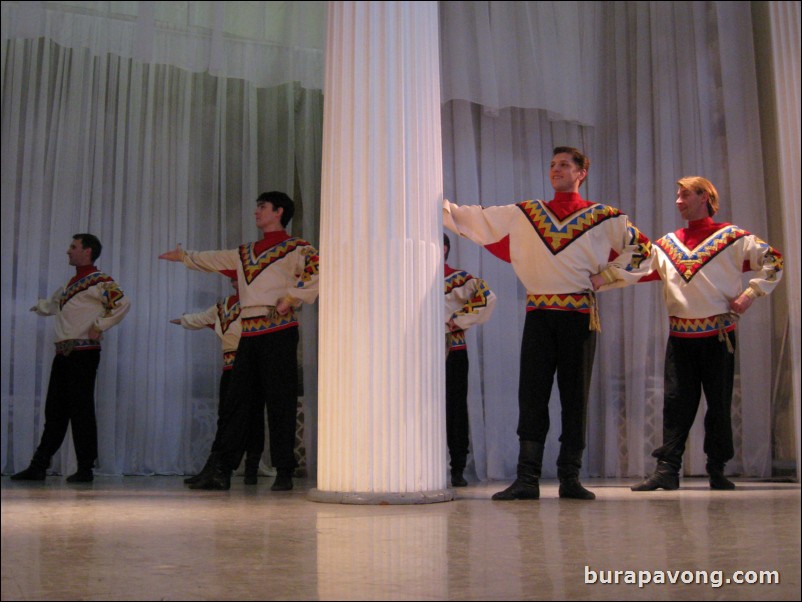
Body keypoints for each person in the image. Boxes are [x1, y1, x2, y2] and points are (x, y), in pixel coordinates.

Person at [443, 146, 652, 501]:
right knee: (532, 395)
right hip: (539, 314)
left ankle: (570, 477)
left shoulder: (605, 217)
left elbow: (644, 252)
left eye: (564, 165)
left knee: (575, 396)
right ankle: (528, 479)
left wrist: (608, 277)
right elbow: (475, 217)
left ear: (582, 172)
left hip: (579, 316)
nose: (556, 170)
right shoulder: (526, 213)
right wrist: (437, 203)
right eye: (552, 165)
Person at [630, 176, 783, 491]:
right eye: (677, 195)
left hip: (717, 336)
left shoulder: (731, 237)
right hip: (681, 338)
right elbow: (635, 269)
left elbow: (773, 260)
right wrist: (594, 277)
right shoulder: (667, 244)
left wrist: (750, 295)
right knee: (675, 403)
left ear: (705, 196)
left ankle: (717, 467)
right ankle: (667, 469)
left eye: (684, 194)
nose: (678, 201)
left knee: (719, 403)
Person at [159, 191, 319, 491]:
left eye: (262, 207)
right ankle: (221, 469)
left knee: (280, 401)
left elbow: (317, 271)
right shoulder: (244, 252)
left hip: (278, 330)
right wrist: (184, 257)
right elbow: (213, 258)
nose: (256, 212)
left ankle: (284, 470)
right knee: (236, 403)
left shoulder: (297, 247)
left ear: (279, 212)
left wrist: (292, 297)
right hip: (249, 333)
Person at [11, 234, 131, 483]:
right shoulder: (71, 283)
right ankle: (39, 465)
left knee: (81, 410)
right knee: (55, 410)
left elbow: (122, 302)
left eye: (73, 247)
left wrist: (100, 325)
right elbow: (56, 304)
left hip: (84, 354)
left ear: (87, 252)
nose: (68, 251)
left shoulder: (100, 281)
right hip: (65, 354)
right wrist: (41, 306)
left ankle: (85, 468)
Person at [170, 274, 267, 486]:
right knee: (226, 416)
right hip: (230, 365)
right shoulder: (223, 305)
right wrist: (185, 320)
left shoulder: (255, 303)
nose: (234, 283)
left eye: (237, 279)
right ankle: (214, 468)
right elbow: (203, 317)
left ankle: (247, 469)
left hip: (250, 365)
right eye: (233, 280)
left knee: (251, 417)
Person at [443, 233, 497, 487]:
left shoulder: (458, 278)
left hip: (453, 349)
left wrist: (458, 320)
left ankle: (457, 468)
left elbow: (486, 297)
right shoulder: (409, 279)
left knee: (455, 408)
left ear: (443, 249)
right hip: (417, 353)